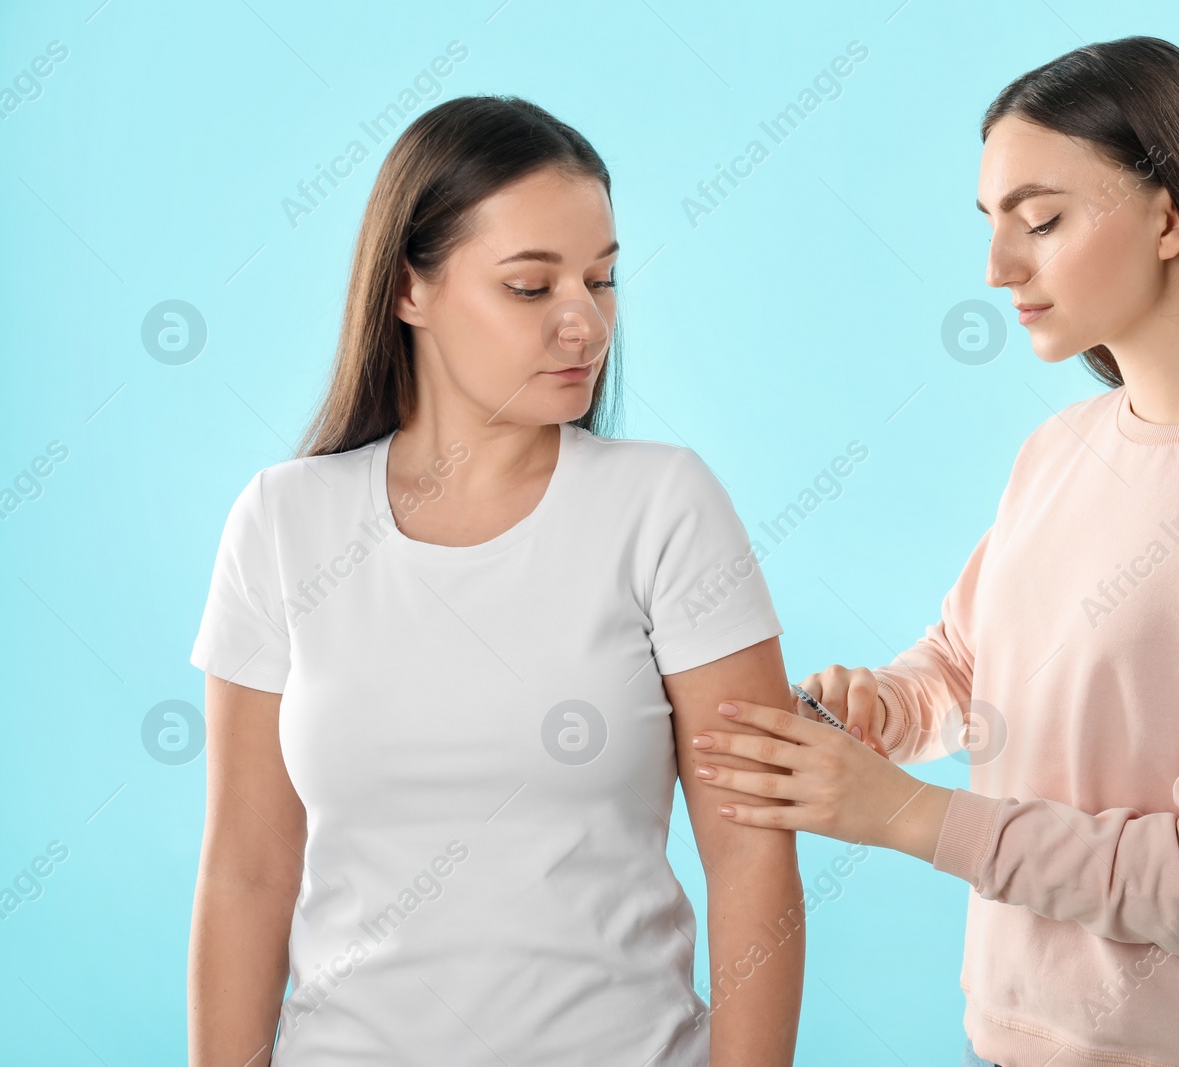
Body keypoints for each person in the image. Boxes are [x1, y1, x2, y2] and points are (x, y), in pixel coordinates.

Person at [693, 37, 1179, 1067]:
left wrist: (904, 814)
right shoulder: (1061, 448)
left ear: (1170, 216)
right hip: (1007, 1042)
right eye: (990, 224)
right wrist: (886, 709)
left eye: (1041, 220)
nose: (997, 267)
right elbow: (964, 660)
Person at [186, 95, 802, 1066]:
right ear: (407, 291)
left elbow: (750, 850)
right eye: (529, 286)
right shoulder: (282, 521)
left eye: (600, 280)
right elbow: (247, 872)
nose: (583, 324)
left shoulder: (664, 505)